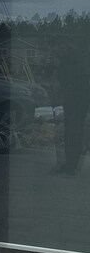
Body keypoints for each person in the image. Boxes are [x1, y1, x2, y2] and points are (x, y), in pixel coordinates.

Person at [53, 37, 90, 175]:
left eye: (55, 49)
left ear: (62, 46)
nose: (53, 53)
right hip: (75, 101)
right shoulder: (70, 60)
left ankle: (72, 165)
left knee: (74, 132)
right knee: (73, 131)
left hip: (77, 101)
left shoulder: (73, 61)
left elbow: (76, 83)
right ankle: (71, 164)